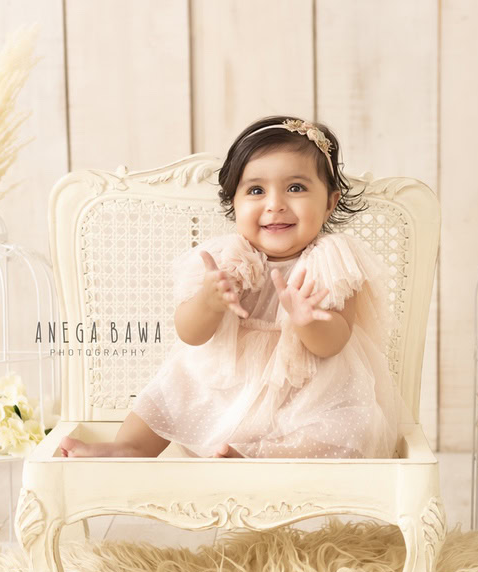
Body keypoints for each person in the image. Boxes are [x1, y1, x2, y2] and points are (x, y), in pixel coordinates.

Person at [58, 115, 401, 459]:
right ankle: (128, 447)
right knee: (174, 385)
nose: (275, 204)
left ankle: (259, 456)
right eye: (256, 190)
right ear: (233, 203)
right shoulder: (224, 260)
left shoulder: (332, 261)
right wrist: (209, 300)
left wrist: (305, 320)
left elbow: (333, 344)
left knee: (348, 426)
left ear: (329, 202)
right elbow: (189, 334)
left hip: (307, 393)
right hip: (224, 383)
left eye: (296, 188)